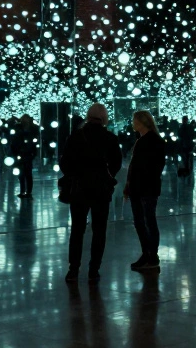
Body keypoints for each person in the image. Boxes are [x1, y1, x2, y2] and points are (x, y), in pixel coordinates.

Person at [62, 103, 122, 283]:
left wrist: (74, 175)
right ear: (104, 118)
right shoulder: (110, 138)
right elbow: (116, 163)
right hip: (101, 189)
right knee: (99, 230)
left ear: (88, 116)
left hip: (79, 188)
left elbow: (65, 163)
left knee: (77, 229)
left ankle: (73, 269)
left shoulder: (76, 137)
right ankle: (94, 269)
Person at [124, 110, 165, 272]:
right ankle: (147, 253)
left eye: (135, 121)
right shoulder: (142, 140)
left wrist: (137, 183)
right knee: (141, 222)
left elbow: (153, 167)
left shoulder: (153, 141)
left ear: (142, 122)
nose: (133, 124)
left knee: (147, 221)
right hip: (139, 188)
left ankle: (151, 255)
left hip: (145, 188)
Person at [12, 114, 38, 198]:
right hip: (22, 153)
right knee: (22, 174)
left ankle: (27, 191)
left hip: (27, 153)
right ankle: (24, 191)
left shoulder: (31, 129)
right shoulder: (20, 129)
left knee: (27, 173)